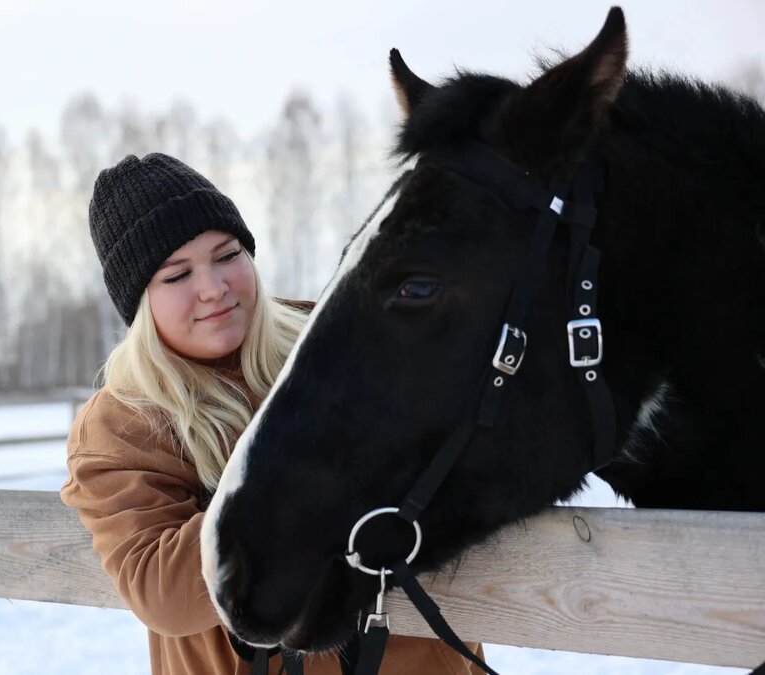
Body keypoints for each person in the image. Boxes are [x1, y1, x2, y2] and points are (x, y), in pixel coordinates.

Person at [60, 153, 484, 675]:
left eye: (227, 254)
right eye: (176, 275)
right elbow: (163, 590)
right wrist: (309, 473)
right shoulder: (125, 421)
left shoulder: (334, 336)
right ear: (139, 302)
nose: (213, 287)